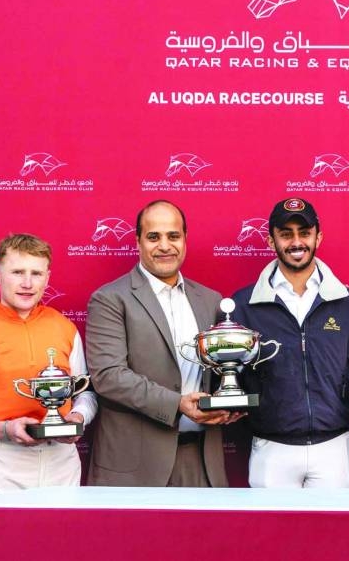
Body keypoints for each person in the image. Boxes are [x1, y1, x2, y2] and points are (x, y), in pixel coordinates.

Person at [85, 200, 239, 486]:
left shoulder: (211, 300)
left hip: (203, 463)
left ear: (185, 239)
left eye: (173, 236)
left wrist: (233, 403)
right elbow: (108, 376)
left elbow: (221, 372)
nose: (165, 246)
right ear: (138, 241)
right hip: (136, 467)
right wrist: (177, 404)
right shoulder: (109, 299)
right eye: (154, 237)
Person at [232, 197, 349, 488]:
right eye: (286, 234)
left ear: (318, 236)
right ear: (271, 240)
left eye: (305, 233)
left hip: (335, 448)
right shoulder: (242, 306)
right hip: (271, 449)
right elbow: (229, 380)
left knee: (334, 534)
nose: (296, 242)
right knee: (271, 534)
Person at [0, 233, 97, 493]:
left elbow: (86, 395)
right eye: (17, 272)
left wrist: (78, 417)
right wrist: (3, 429)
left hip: (63, 459)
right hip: (4, 462)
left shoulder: (64, 327)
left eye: (36, 273)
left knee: (62, 535)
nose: (27, 283)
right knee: (6, 536)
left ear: (47, 277)